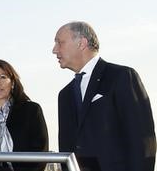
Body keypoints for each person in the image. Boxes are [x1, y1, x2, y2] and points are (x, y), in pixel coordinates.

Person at [53, 21, 156, 171]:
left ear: (81, 43)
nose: (54, 50)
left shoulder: (122, 77)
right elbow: (66, 148)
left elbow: (142, 138)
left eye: (59, 42)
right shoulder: (64, 94)